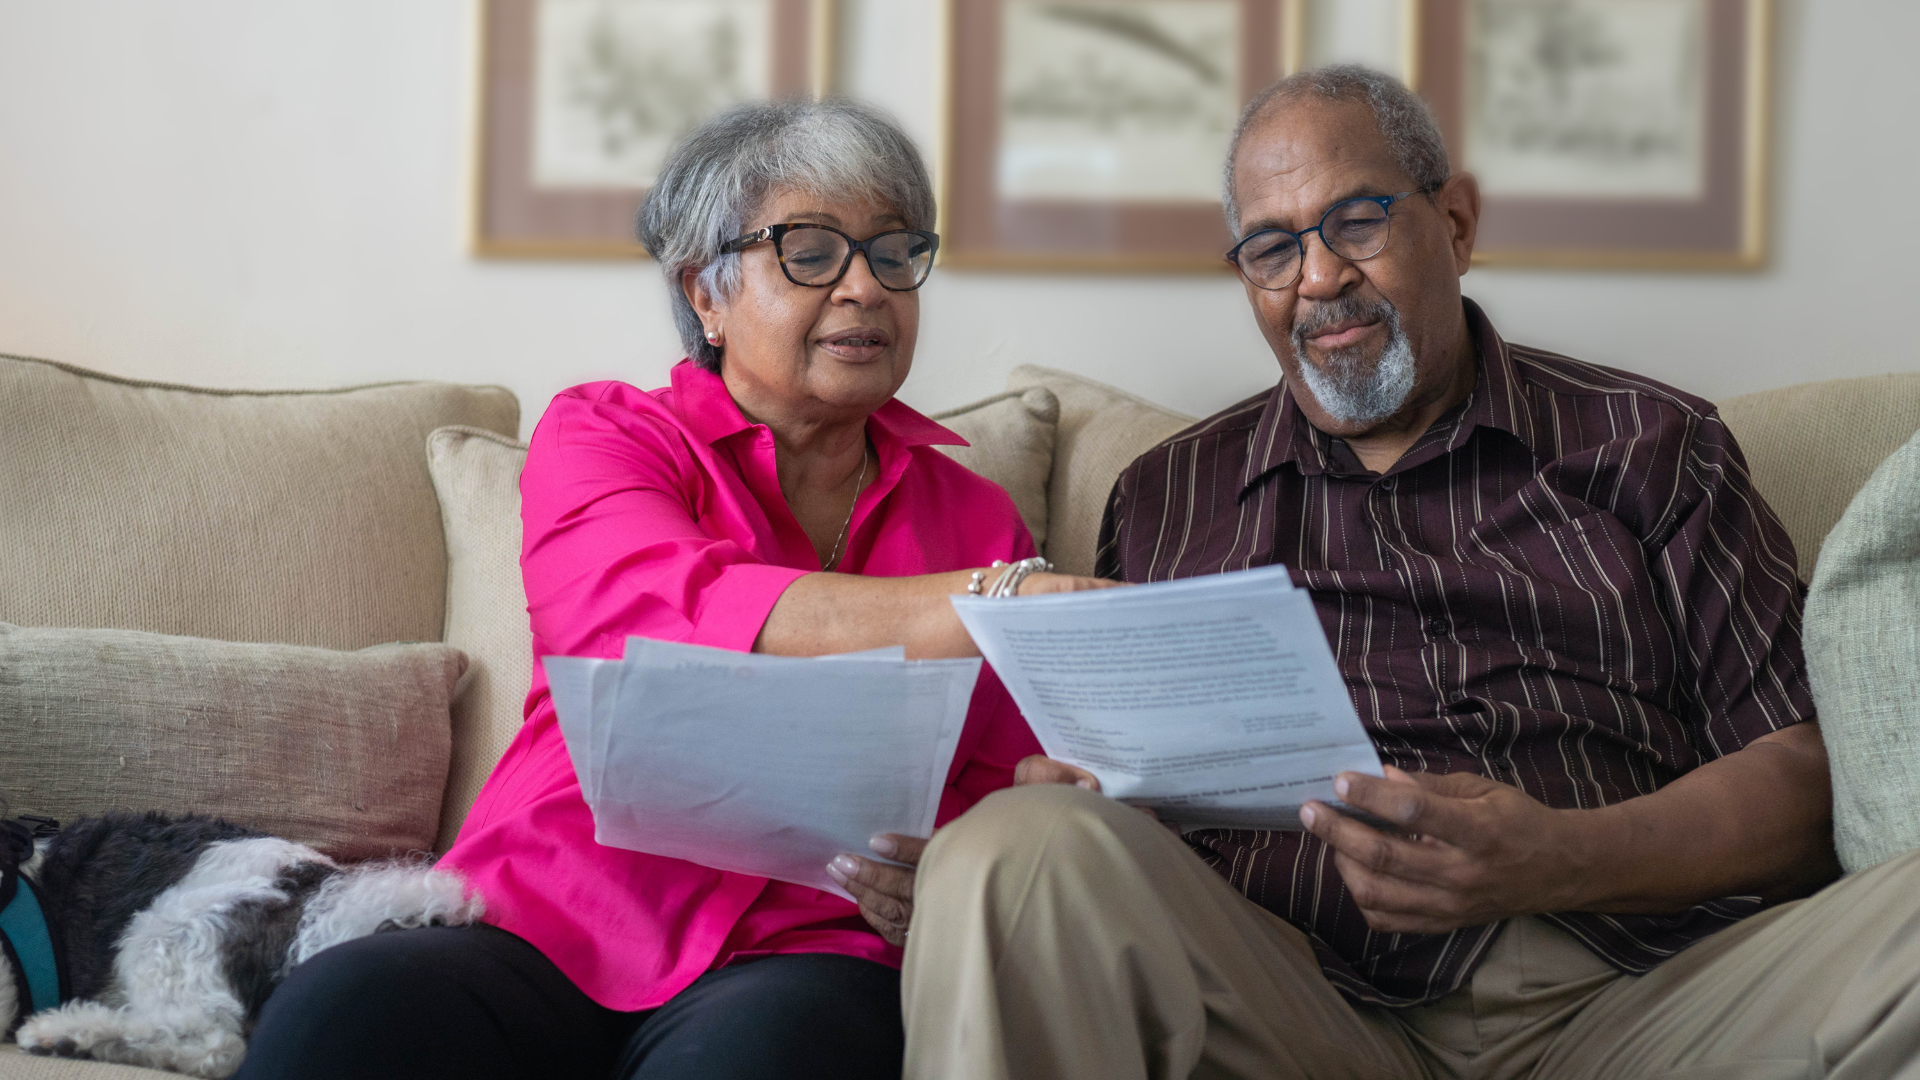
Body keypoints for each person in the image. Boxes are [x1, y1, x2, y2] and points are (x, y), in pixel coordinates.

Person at [890, 67, 1920, 1079]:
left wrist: (1558, 855)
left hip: (1647, 997)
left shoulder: (1654, 443)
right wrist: (1082, 800)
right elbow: (1124, 805)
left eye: (1359, 221)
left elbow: (1796, 774)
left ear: (1457, 224)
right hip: (1302, 1004)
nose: (1320, 277)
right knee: (1012, 847)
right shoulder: (1165, 497)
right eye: (1272, 247)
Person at [231, 98, 1112, 1080]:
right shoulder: (607, 437)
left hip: (812, 946)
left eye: (895, 253)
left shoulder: (977, 520)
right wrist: (994, 605)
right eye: (813, 252)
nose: (867, 287)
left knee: (768, 1058)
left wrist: (949, 868)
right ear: (707, 293)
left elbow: (1006, 780)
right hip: (547, 916)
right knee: (345, 1013)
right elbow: (658, 616)